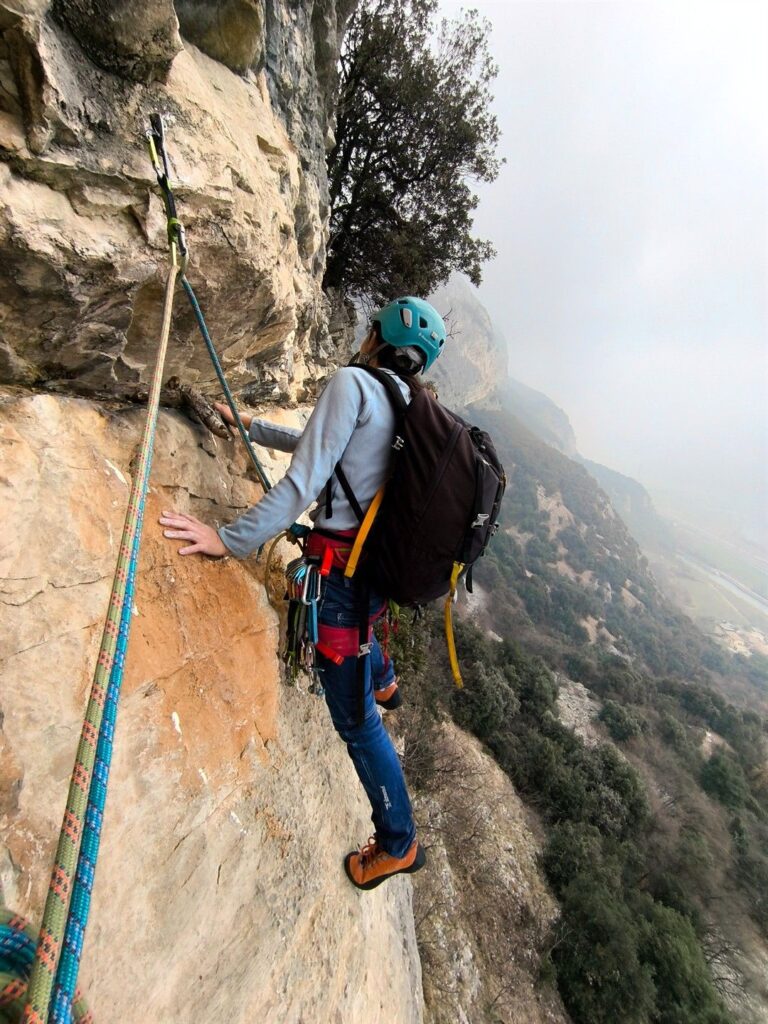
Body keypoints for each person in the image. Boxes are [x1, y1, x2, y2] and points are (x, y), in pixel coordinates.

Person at [159, 296, 447, 890]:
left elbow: (301, 485)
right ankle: (385, 676)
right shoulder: (409, 403)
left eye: (370, 329)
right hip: (372, 569)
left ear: (378, 336)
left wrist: (226, 539)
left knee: (357, 721)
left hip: (339, 577)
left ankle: (399, 842)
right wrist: (251, 426)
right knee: (369, 644)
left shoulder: (353, 382)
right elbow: (333, 447)